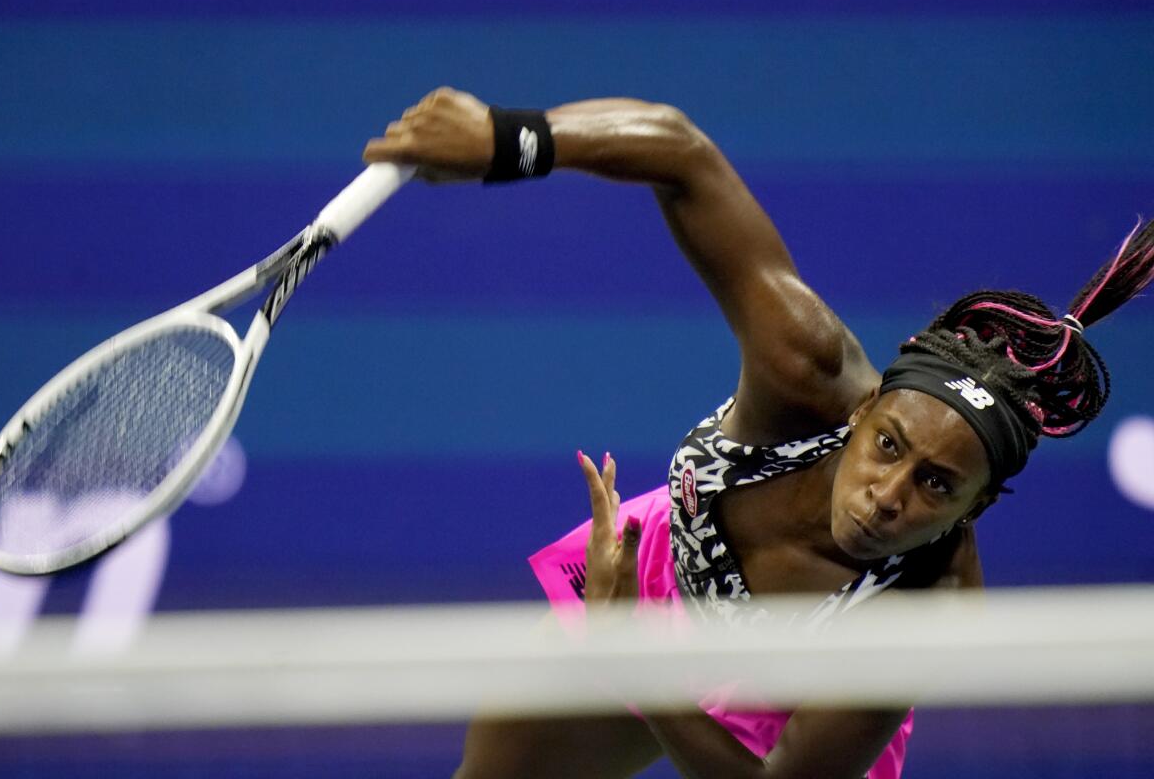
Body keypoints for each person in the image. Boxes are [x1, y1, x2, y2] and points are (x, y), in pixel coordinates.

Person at [363, 88, 1154, 778]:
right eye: (888, 445)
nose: (888, 496)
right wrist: (509, 138)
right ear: (864, 411)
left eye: (937, 486)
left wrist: (633, 656)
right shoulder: (805, 369)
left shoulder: (918, 614)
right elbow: (682, 154)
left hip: (789, 686)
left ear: (973, 511)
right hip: (650, 578)